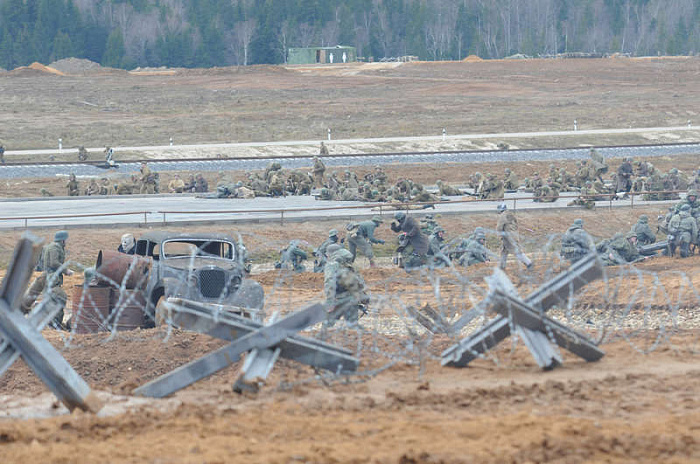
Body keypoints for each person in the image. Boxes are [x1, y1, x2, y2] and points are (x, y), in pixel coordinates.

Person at [21, 231, 74, 329]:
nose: (66, 241)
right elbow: (54, 263)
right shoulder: (55, 248)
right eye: (65, 239)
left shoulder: (51, 246)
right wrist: (66, 270)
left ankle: (31, 311)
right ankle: (55, 323)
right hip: (52, 277)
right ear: (62, 240)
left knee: (49, 297)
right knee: (59, 296)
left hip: (48, 275)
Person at [324, 247, 369, 326]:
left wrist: (330, 299)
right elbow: (358, 282)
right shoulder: (349, 265)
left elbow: (329, 281)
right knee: (353, 328)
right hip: (352, 299)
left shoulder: (332, 264)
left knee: (327, 327)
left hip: (338, 298)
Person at [496, 203, 532, 270]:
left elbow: (499, 226)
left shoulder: (503, 215)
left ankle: (529, 263)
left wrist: (499, 235)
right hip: (513, 236)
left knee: (517, 251)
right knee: (504, 251)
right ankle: (502, 266)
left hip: (509, 237)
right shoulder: (510, 214)